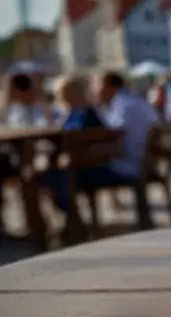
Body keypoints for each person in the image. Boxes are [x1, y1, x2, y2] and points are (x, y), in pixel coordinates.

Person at [40, 72, 160, 218]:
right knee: (57, 173)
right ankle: (74, 221)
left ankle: (74, 222)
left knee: (56, 178)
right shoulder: (130, 102)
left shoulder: (118, 106)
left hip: (123, 165)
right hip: (133, 161)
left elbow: (115, 136)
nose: (95, 91)